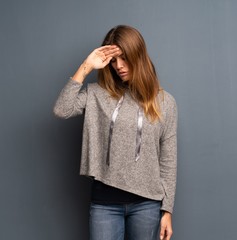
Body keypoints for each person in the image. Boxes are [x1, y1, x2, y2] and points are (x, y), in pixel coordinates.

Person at [54, 25, 177, 240]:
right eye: (113, 61)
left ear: (138, 56)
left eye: (124, 58)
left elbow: (168, 159)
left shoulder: (164, 102)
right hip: (105, 203)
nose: (118, 66)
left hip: (147, 204)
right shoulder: (97, 94)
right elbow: (62, 109)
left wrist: (167, 211)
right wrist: (86, 66)